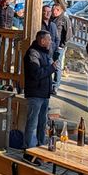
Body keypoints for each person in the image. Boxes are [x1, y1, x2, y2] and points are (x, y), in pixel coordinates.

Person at [22, 30, 58, 159]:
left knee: (42, 123)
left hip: (44, 93)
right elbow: (36, 74)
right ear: (42, 41)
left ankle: (41, 148)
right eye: (49, 40)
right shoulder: (33, 53)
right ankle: (29, 151)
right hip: (35, 93)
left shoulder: (45, 53)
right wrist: (52, 68)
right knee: (32, 123)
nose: (51, 42)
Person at [50, 3, 71, 93]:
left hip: (58, 47)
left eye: (57, 10)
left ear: (61, 10)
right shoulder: (51, 18)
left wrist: (62, 45)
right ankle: (49, 84)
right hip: (49, 46)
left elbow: (68, 34)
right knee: (49, 64)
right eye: (53, 9)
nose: (54, 11)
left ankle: (55, 85)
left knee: (57, 66)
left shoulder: (65, 19)